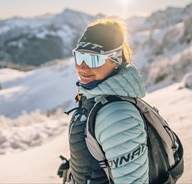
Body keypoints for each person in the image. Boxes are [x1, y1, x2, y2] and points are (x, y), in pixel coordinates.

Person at [59, 17, 149, 184]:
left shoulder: (118, 116)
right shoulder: (94, 97)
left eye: (94, 59)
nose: (83, 67)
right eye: (79, 57)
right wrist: (76, 167)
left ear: (115, 60)